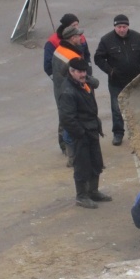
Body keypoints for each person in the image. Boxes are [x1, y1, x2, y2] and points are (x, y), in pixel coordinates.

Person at [58, 58, 111, 209]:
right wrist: (80, 133)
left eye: (84, 71)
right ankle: (81, 196)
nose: (83, 74)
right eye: (80, 72)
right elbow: (67, 118)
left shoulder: (83, 83)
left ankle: (93, 191)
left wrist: (85, 78)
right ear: (71, 72)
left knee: (96, 162)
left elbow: (96, 83)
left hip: (92, 128)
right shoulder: (68, 91)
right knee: (82, 165)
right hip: (81, 133)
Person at [93, 14, 140, 146]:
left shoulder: (136, 36)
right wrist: (110, 71)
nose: (122, 29)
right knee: (117, 109)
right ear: (115, 27)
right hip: (116, 83)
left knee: (137, 106)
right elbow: (98, 58)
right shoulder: (106, 40)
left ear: (128, 26)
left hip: (135, 80)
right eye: (119, 27)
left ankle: (138, 132)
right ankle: (118, 133)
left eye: (124, 26)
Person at [44, 14, 90, 153]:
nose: (77, 29)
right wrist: (59, 82)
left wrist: (87, 75)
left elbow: (86, 57)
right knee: (66, 117)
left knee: (79, 116)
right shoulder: (53, 43)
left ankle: (76, 146)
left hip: (79, 83)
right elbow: (48, 66)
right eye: (73, 26)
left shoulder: (79, 39)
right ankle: (66, 147)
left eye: (77, 24)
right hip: (65, 87)